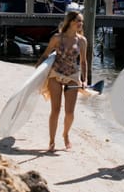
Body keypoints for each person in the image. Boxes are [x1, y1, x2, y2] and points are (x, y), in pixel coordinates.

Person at [36, 10, 88, 152]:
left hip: (72, 75)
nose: (80, 24)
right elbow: (46, 54)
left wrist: (85, 79)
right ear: (70, 22)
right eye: (78, 21)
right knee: (56, 110)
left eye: (82, 21)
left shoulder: (82, 41)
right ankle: (52, 141)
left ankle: (65, 134)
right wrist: (37, 70)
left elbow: (83, 62)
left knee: (70, 112)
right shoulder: (57, 38)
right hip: (56, 74)